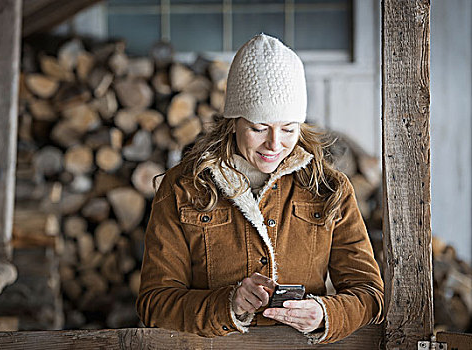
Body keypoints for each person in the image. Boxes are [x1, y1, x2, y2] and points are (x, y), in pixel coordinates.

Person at [136, 33, 384, 344]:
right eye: (259, 128)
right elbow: (154, 304)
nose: (274, 144)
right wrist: (229, 306)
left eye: (289, 129)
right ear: (234, 121)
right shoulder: (183, 188)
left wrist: (325, 313)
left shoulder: (329, 188)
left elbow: (370, 295)